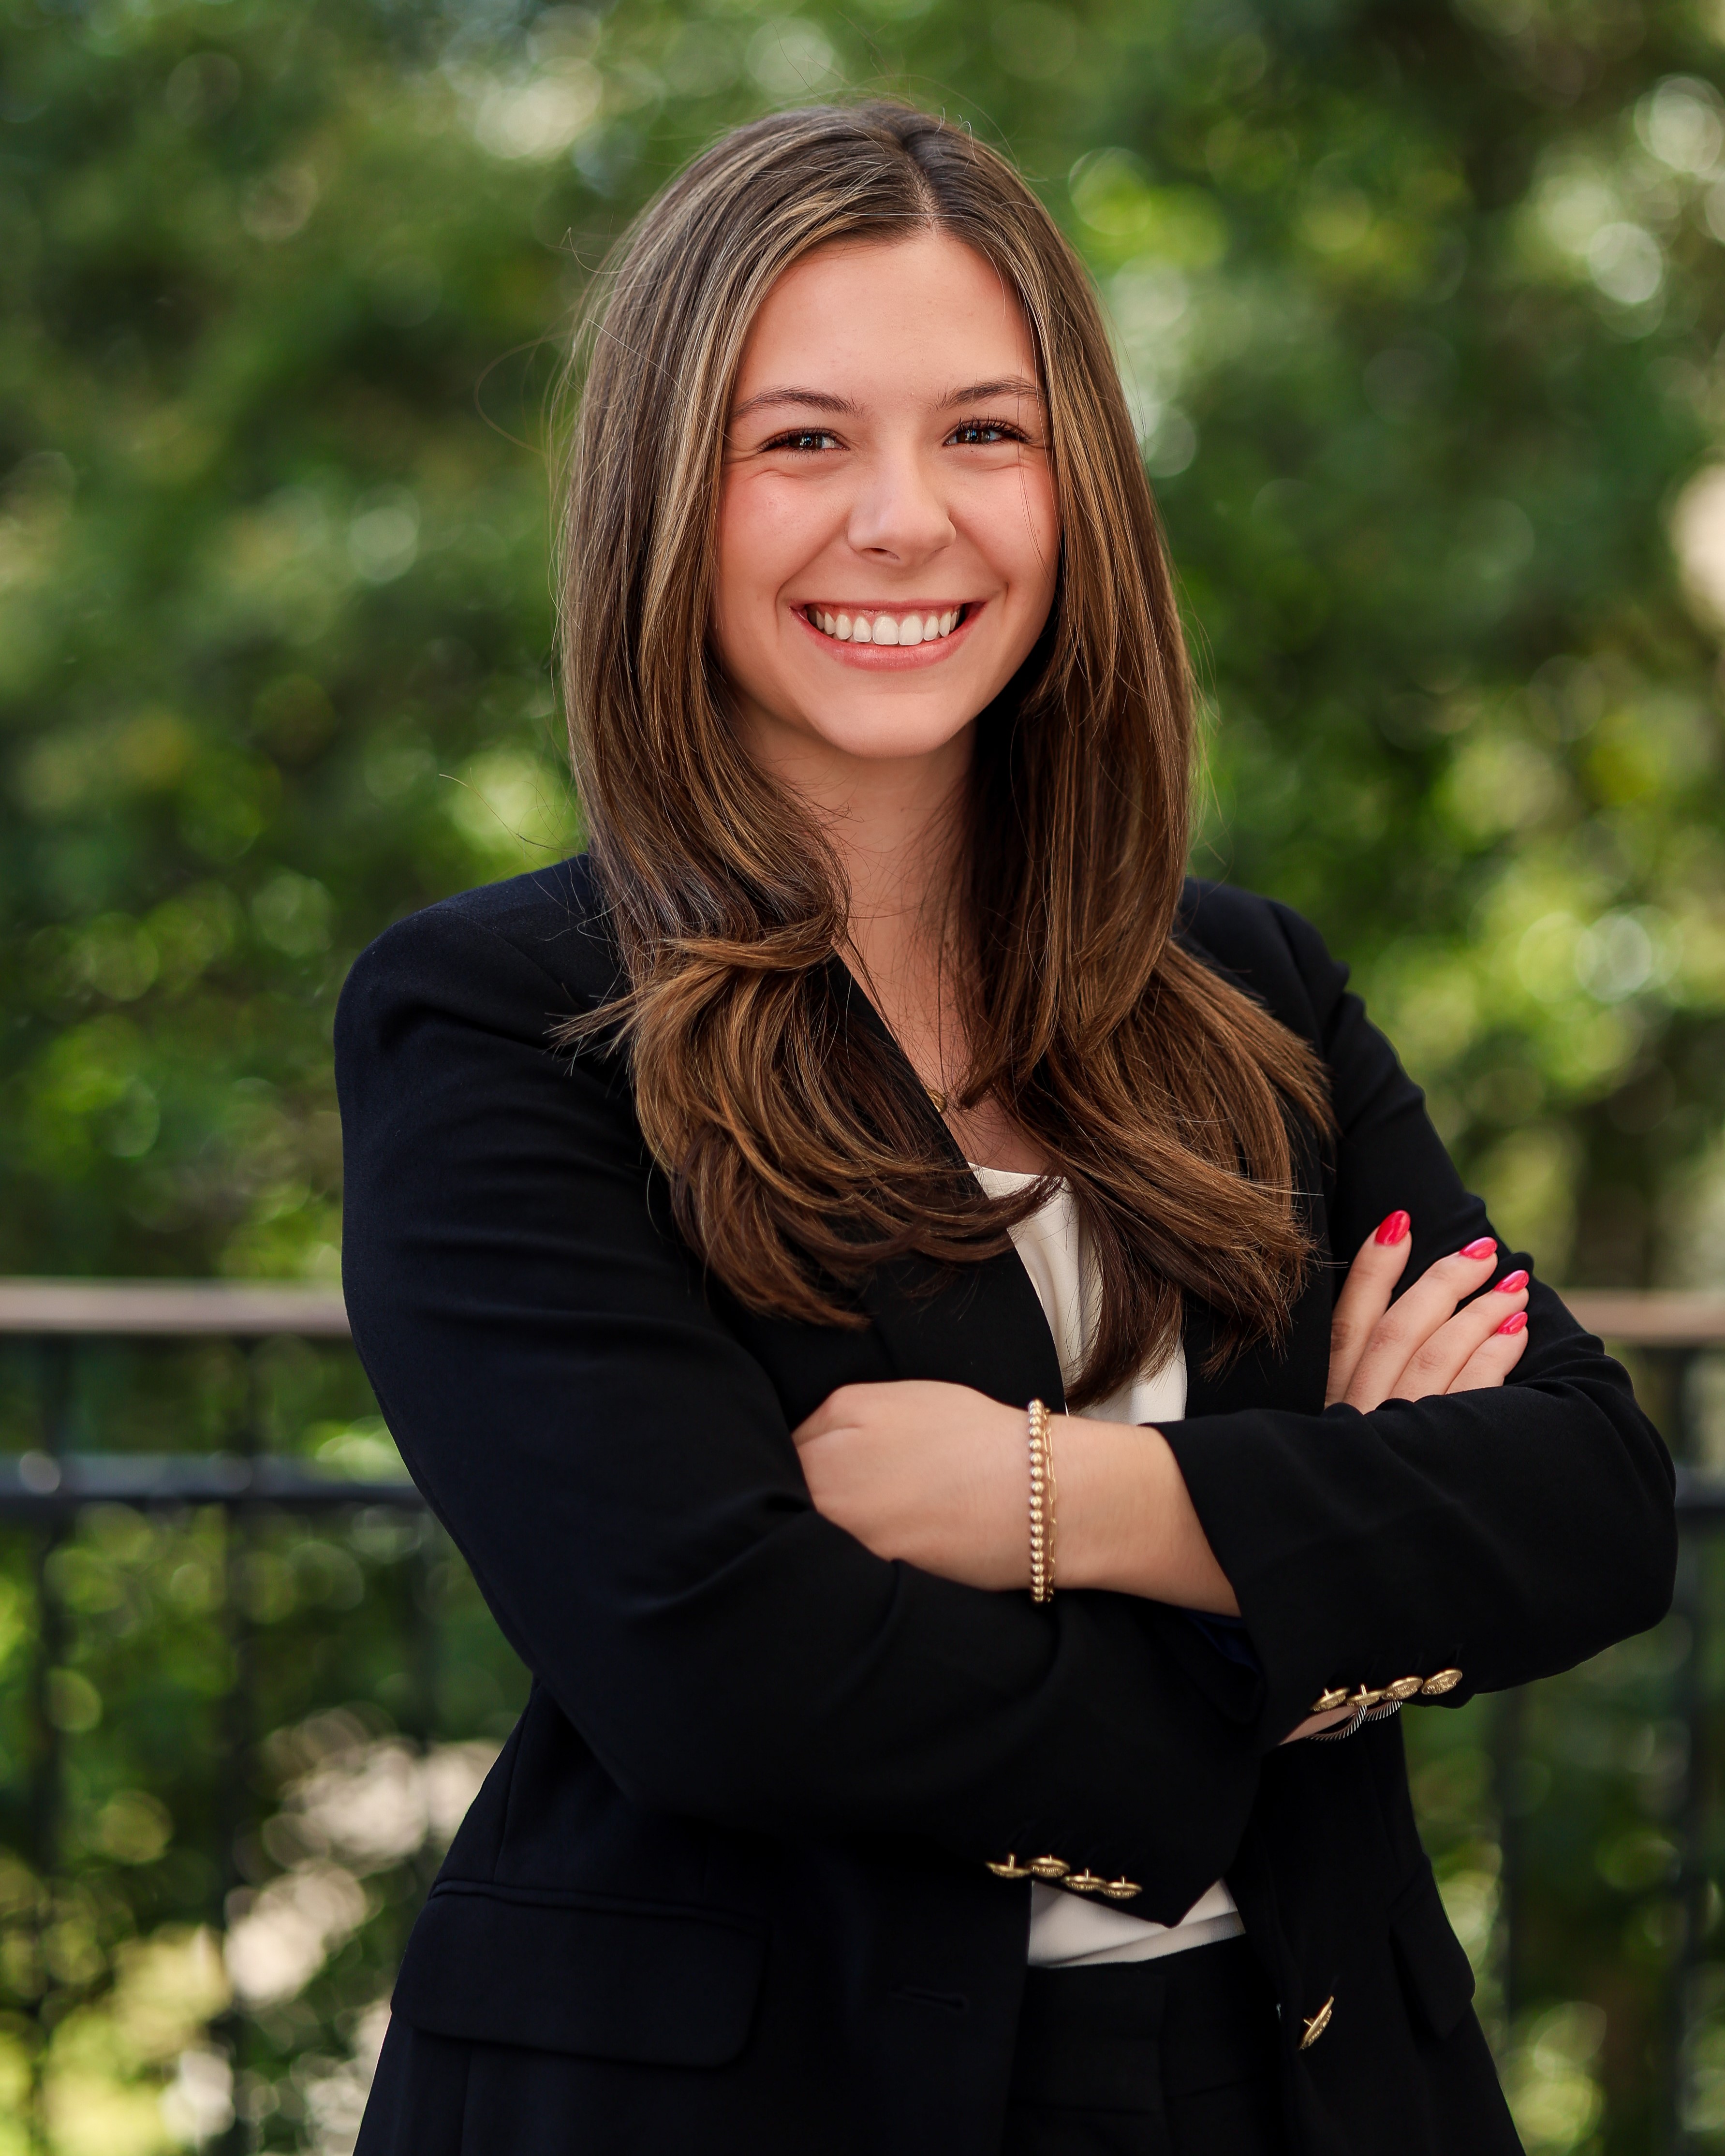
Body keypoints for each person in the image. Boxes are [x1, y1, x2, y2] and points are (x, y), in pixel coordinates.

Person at [337, 102, 1675, 2156]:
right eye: (803, 442)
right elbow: (724, 1670)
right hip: (760, 2101)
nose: (904, 519)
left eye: (984, 433)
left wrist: (1062, 1499)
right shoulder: (501, 1018)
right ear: (661, 498)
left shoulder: (1250, 986)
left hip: (1302, 2077)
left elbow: (1583, 1499)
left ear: (1079, 491)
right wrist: (1312, 1599)